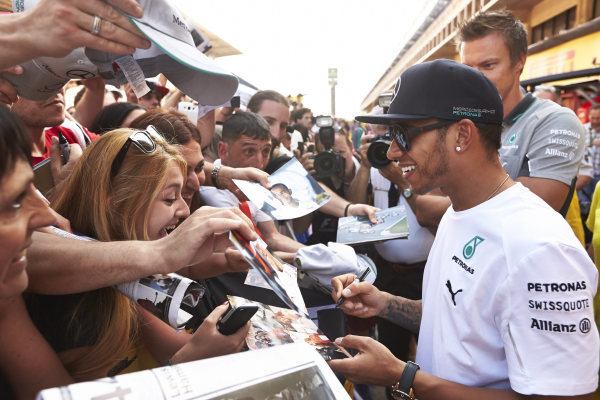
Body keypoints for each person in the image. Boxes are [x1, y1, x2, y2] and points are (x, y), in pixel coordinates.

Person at [329, 59, 598, 399]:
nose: (393, 151)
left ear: (462, 134)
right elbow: (461, 316)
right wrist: (384, 303)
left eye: (403, 134)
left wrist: (404, 377)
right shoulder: (459, 213)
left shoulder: (539, 247)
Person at [26, 127, 249, 382]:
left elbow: (170, 344)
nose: (185, 210)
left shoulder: (124, 281)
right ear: (117, 201)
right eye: (169, 199)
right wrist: (186, 362)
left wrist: (208, 346)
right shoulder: (76, 310)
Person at [413, 10, 586, 228]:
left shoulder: (554, 120)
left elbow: (524, 213)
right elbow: (423, 207)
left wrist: (452, 203)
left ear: (519, 62)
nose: (474, 79)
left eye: (488, 65)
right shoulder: (460, 122)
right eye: (467, 69)